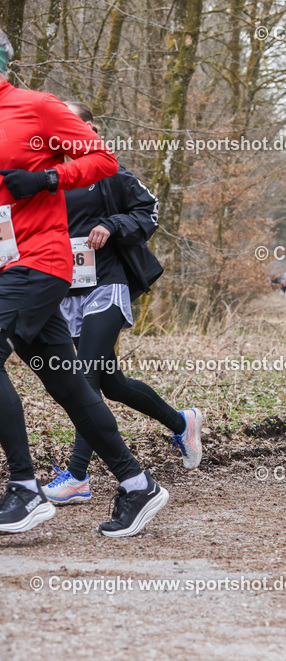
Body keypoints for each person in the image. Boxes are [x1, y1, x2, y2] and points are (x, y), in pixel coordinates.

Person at [0, 30, 168, 535]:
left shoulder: (37, 107)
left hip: (38, 261)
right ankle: (137, 484)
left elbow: (102, 161)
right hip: (4, 265)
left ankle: (25, 489)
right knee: (68, 382)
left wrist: (49, 179)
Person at [39, 101, 202, 505]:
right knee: (110, 383)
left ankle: (78, 475)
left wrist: (111, 225)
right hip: (67, 292)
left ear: (89, 127)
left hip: (107, 284)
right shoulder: (50, 175)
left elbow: (149, 211)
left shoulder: (106, 170)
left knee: (84, 376)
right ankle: (181, 422)